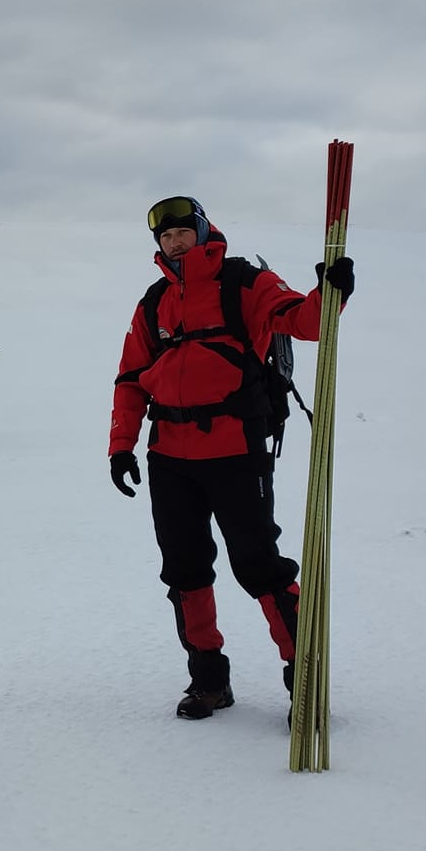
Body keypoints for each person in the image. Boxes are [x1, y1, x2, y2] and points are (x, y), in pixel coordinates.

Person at [108, 196, 354, 719]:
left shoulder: (244, 283)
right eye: (164, 237)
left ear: (201, 230)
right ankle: (209, 682)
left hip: (236, 449)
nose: (173, 243)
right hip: (169, 457)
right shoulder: (153, 302)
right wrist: (120, 446)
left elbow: (305, 322)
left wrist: (330, 293)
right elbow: (131, 379)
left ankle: (304, 680)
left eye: (181, 232)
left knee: (259, 564)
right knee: (185, 571)